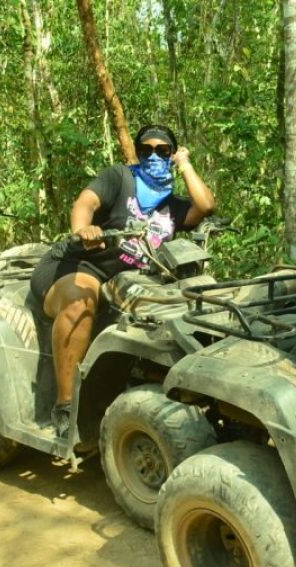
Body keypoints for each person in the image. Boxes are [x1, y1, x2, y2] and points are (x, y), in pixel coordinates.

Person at [30, 124, 215, 437]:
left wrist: (185, 163)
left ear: (171, 153)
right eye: (147, 150)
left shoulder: (174, 205)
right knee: (81, 302)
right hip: (81, 264)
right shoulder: (120, 177)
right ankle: (64, 406)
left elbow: (206, 206)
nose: (153, 155)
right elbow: (85, 202)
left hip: (129, 279)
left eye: (163, 150)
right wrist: (82, 229)